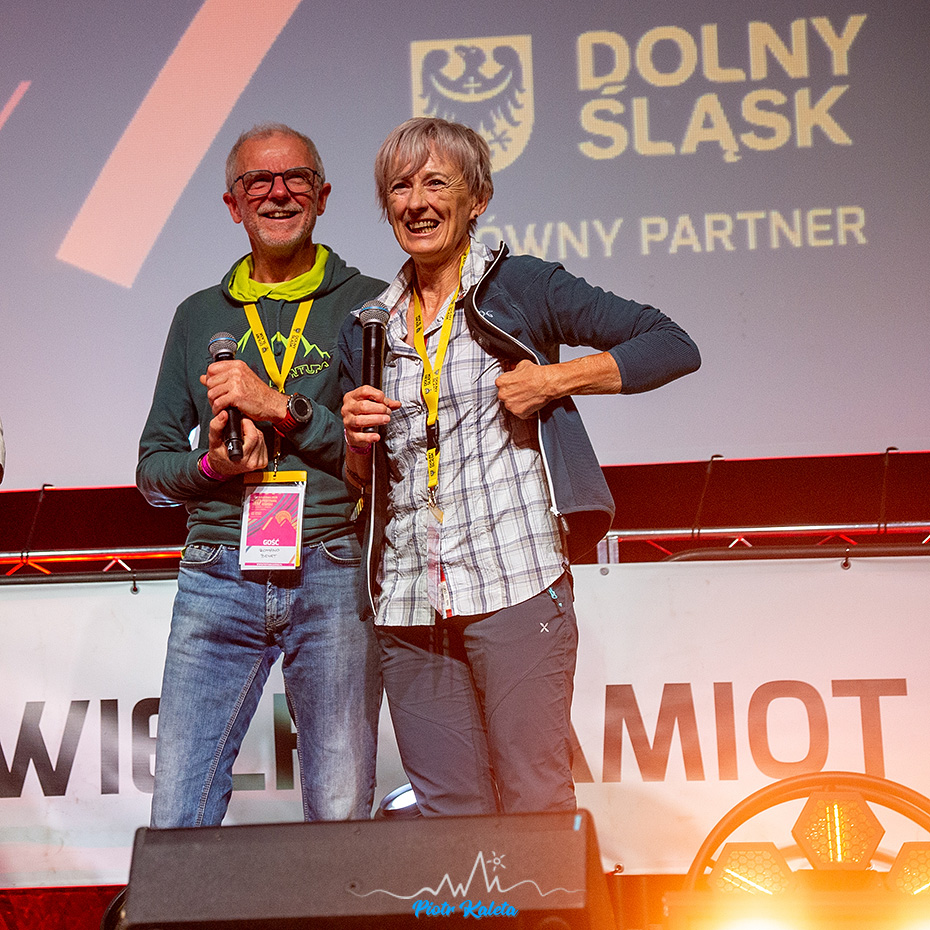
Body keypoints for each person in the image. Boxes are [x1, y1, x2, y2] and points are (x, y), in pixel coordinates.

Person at [340, 117, 700, 817]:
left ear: (477, 198)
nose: (416, 201)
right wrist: (357, 446)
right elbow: (366, 482)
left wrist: (553, 381)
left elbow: (671, 343)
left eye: (436, 183)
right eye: (400, 187)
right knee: (449, 813)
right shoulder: (368, 326)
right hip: (410, 600)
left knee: (535, 800)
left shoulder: (523, 286)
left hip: (515, 579)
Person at [137, 123, 384, 827]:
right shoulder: (197, 317)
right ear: (233, 205)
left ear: (323, 195)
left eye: (295, 178)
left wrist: (281, 407)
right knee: (178, 815)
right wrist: (212, 464)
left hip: (332, 564)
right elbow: (152, 469)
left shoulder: (372, 306)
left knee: (340, 815)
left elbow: (385, 457)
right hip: (216, 570)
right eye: (258, 182)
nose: (278, 193)